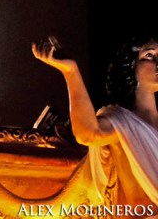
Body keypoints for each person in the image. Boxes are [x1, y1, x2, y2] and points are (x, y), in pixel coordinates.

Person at [32, 33, 158, 208]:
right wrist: (71, 72)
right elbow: (89, 134)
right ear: (131, 65)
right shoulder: (123, 122)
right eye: (149, 55)